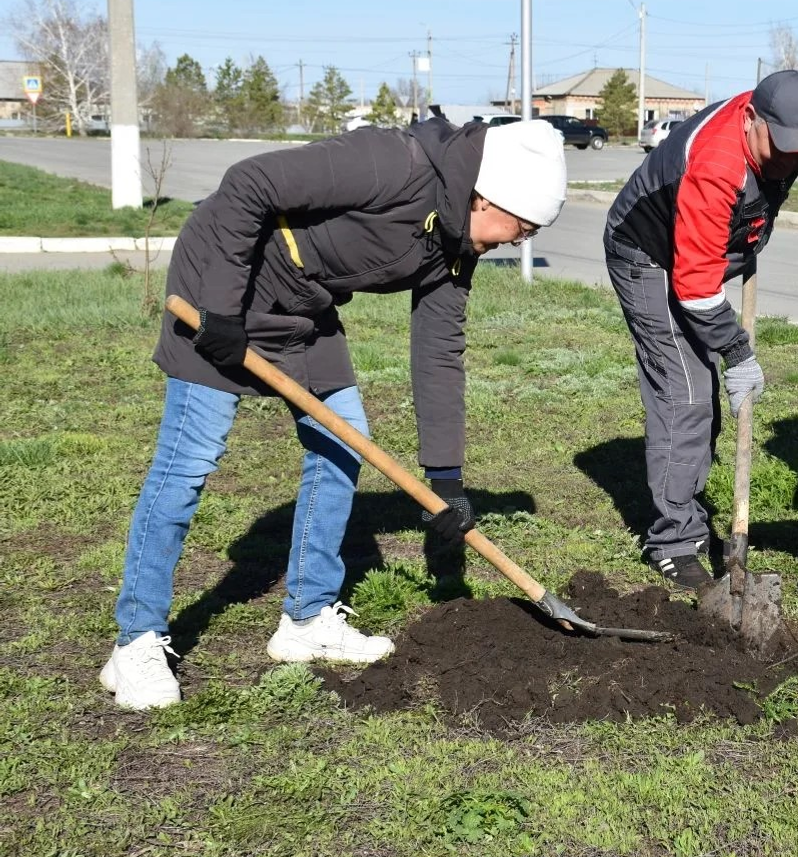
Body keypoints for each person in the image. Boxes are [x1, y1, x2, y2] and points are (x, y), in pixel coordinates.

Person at [99, 117, 569, 710]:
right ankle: (135, 641)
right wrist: (218, 310)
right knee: (189, 461)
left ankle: (306, 618)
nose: (517, 241)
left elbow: (439, 352)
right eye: (521, 227)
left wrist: (446, 479)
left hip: (303, 308)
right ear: (486, 196)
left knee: (343, 445)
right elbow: (249, 183)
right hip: (224, 285)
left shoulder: (456, 245)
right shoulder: (393, 163)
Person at [604, 70, 798, 589]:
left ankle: (685, 508)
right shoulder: (716, 165)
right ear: (751, 118)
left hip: (700, 254)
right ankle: (673, 542)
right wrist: (738, 350)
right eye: (784, 148)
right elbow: (695, 289)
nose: (792, 160)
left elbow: (758, 197)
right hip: (647, 256)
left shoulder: (777, 135)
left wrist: (748, 241)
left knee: (698, 394)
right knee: (685, 395)